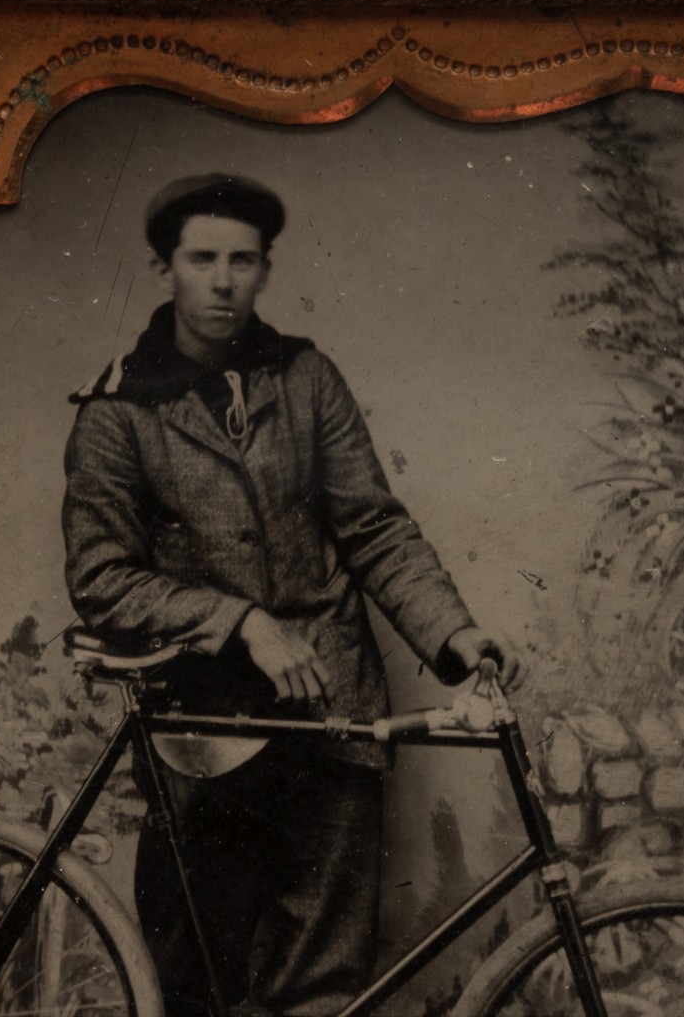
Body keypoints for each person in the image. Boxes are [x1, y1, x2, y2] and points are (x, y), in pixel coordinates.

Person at [62, 174, 522, 1016]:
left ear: (266, 269)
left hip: (330, 720)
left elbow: (374, 528)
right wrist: (238, 620)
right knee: (197, 983)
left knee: (324, 988)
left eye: (243, 260)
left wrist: (455, 636)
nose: (224, 281)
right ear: (163, 266)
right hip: (201, 730)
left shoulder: (307, 381)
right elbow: (101, 579)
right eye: (202, 259)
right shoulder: (116, 411)